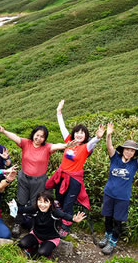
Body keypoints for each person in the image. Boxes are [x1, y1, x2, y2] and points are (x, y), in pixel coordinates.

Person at [0, 123, 68, 237]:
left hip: (39, 180)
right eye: (37, 135)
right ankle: (17, 223)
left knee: (36, 203)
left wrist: (67, 145)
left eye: (42, 136)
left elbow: (57, 146)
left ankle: (34, 227)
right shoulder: (26, 143)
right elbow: (16, 137)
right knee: (21, 201)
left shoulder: (47, 147)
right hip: (24, 178)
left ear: (45, 138)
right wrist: (3, 131)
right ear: (33, 134)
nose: (39, 138)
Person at [45, 100, 105, 237]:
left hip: (74, 180)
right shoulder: (69, 142)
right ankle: (58, 219)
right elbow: (62, 127)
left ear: (85, 136)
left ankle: (66, 226)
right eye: (77, 132)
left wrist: (97, 137)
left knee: (68, 202)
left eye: (82, 133)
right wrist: (59, 111)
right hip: (62, 176)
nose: (78, 135)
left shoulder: (86, 147)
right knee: (58, 199)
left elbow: (93, 142)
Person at [98, 123, 138, 254]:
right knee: (107, 217)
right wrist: (108, 135)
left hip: (122, 198)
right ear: (123, 150)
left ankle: (112, 242)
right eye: (127, 149)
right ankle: (107, 236)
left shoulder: (134, 164)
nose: (129, 152)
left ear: (134, 153)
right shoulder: (115, 158)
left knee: (118, 221)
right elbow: (109, 147)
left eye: (132, 150)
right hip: (109, 194)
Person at [17, 191, 86, 258]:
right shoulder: (35, 209)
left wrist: (73, 219)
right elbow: (23, 209)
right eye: (40, 201)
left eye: (45, 202)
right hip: (36, 235)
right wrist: (13, 206)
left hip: (51, 238)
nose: (42, 205)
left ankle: (47, 251)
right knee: (22, 243)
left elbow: (64, 215)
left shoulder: (54, 212)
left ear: (50, 203)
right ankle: (33, 247)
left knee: (42, 253)